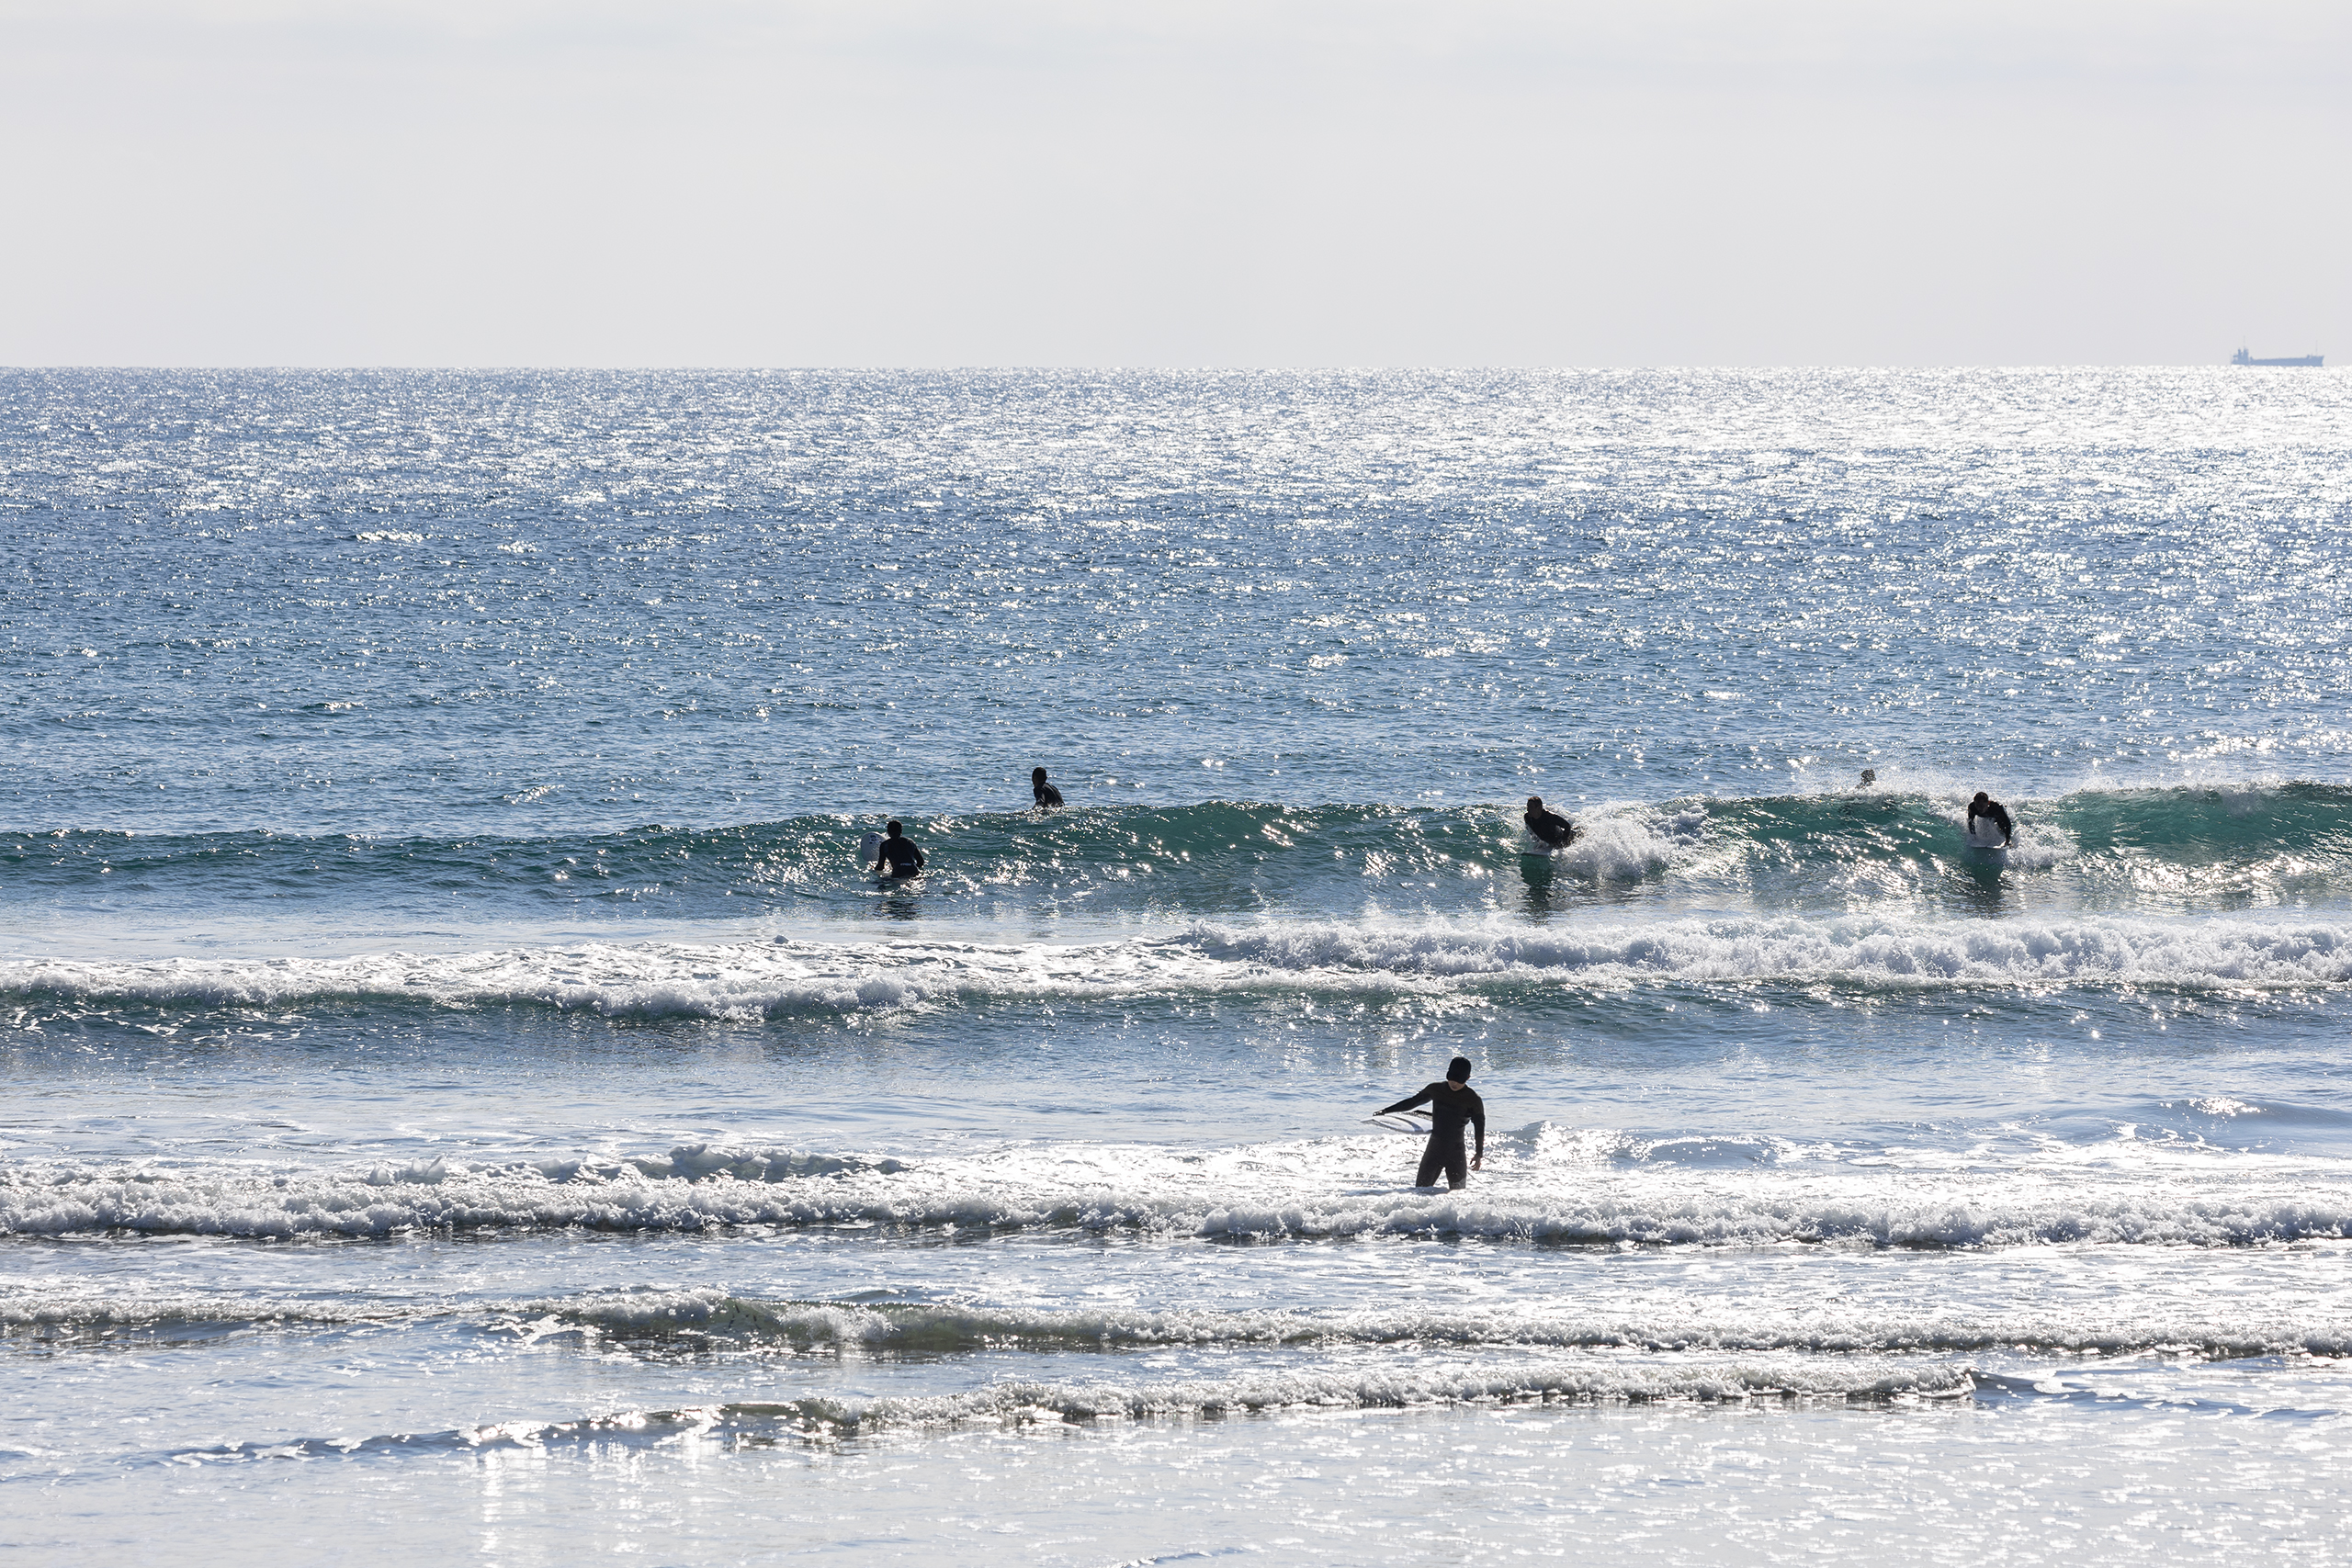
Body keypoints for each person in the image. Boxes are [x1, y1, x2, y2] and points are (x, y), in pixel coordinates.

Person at [1375, 1056, 1487, 1190]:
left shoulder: (1473, 1099)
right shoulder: (1436, 1089)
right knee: (1420, 1192)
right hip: (1434, 1151)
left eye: (1459, 1080)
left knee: (1458, 1197)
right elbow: (1412, 1102)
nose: (1454, 1083)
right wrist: (1386, 1111)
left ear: (1468, 1078)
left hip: (1456, 1154)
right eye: (1451, 1078)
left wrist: (1479, 1154)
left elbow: (1479, 1127)